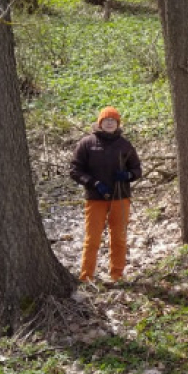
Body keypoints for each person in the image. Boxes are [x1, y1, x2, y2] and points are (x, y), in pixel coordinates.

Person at [69, 106, 143, 284]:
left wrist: (127, 175)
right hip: (95, 198)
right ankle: (86, 277)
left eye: (113, 120)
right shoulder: (87, 143)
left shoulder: (125, 145)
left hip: (120, 197)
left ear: (117, 124)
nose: (110, 123)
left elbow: (137, 169)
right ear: (100, 123)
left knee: (118, 237)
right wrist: (93, 183)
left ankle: (116, 275)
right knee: (92, 239)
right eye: (106, 120)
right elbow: (75, 170)